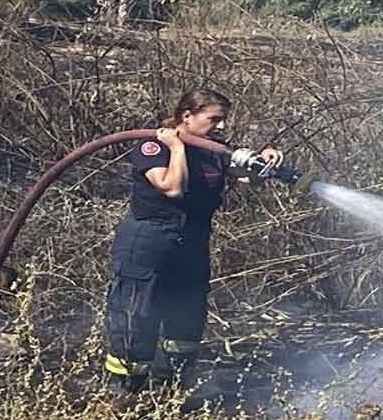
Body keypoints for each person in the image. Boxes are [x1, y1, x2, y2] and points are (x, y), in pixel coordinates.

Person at [104, 88, 283, 396]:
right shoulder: (153, 146)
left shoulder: (212, 149)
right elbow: (172, 187)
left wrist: (263, 163)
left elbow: (244, 177)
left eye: (223, 120)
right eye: (215, 119)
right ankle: (124, 395)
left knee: (187, 315)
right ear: (186, 116)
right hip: (149, 242)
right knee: (136, 314)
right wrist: (176, 148)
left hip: (192, 244)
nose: (221, 127)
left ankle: (171, 391)